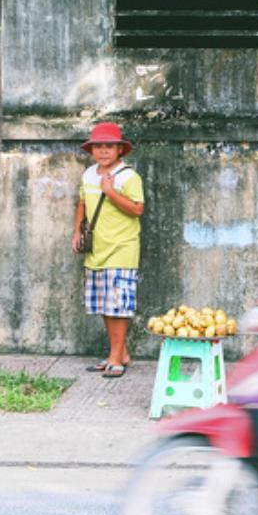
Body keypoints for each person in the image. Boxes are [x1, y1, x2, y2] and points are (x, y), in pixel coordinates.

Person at [71, 122, 145, 379]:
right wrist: (77, 231)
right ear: (92, 150)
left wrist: (111, 192)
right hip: (97, 249)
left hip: (122, 248)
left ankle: (115, 358)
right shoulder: (89, 173)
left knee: (118, 306)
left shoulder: (129, 176)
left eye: (109, 146)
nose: (103, 151)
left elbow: (137, 209)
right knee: (105, 304)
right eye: (98, 146)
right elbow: (82, 203)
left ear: (119, 150)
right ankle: (120, 353)